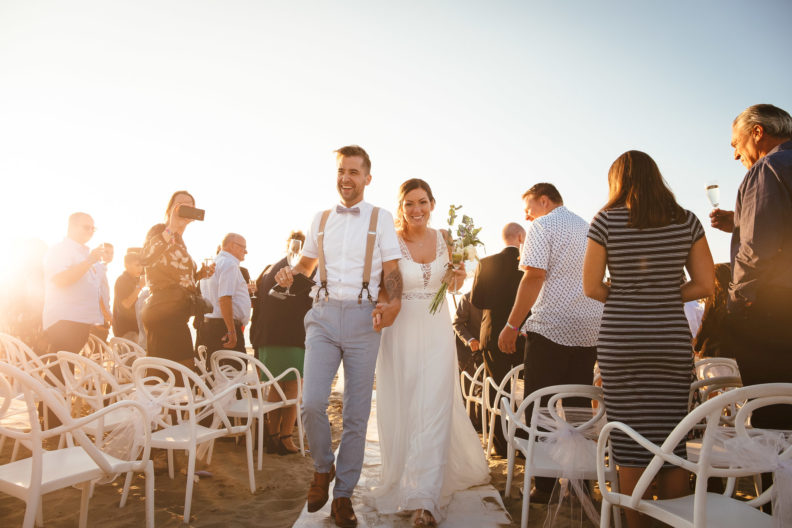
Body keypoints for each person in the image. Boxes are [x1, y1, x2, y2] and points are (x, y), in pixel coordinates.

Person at [583, 151, 714, 528]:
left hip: (622, 338)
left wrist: (628, 296)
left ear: (617, 181)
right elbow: (706, 284)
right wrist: (664, 296)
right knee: (673, 437)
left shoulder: (605, 221)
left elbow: (591, 287)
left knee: (628, 440)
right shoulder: (685, 220)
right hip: (669, 338)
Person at [274, 145, 403, 528]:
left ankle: (343, 494)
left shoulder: (381, 218)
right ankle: (322, 468)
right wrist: (290, 273)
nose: (346, 178)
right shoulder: (321, 217)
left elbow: (393, 270)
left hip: (366, 318)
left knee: (356, 414)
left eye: (353, 171)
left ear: (367, 177)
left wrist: (393, 303)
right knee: (312, 402)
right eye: (341, 171)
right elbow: (308, 262)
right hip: (324, 315)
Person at [368, 178, 489, 527]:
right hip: (401, 329)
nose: (416, 210)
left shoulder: (447, 239)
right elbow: (385, 289)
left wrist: (459, 275)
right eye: (409, 203)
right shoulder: (390, 242)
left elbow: (452, 285)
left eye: (422, 202)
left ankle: (426, 499)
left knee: (434, 407)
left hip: (437, 329)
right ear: (400, 207)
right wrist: (380, 309)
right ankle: (407, 481)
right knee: (406, 405)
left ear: (432, 204)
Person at [498, 184, 604, 500]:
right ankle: (582, 482)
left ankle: (543, 486)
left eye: (529, 206)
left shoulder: (542, 225)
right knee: (578, 408)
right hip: (588, 329)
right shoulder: (587, 226)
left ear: (544, 200)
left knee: (540, 406)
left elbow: (533, 277)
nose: (526, 214)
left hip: (551, 327)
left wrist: (512, 325)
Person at [710, 103, 792, 430]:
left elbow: (757, 250)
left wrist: (738, 300)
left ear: (757, 133)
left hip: (771, 310)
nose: (735, 155)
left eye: (735, 144)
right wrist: (740, 222)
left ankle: (778, 483)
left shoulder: (767, 167)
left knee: (772, 415)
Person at [249, 230, 313, 455]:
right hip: (291, 335)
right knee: (294, 389)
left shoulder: (268, 269)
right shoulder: (301, 270)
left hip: (266, 337)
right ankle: (285, 437)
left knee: (275, 389)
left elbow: (256, 303)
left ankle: (273, 435)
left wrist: (255, 338)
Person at [470, 222, 526, 457]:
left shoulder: (486, 263)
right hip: (523, 332)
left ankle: (501, 445)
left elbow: (477, 301)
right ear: (521, 237)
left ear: (504, 238)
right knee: (525, 389)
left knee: (497, 388)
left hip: (492, 334)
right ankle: (523, 441)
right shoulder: (527, 264)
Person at [140, 191, 212, 369]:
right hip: (163, 310)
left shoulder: (180, 239)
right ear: (171, 209)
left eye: (191, 205)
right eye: (182, 205)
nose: (187, 208)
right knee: (180, 372)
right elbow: (146, 258)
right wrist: (171, 226)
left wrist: (199, 274)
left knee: (164, 376)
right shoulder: (160, 230)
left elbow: (177, 277)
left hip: (175, 312)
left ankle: (154, 397)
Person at [42, 212, 110, 354]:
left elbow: (93, 288)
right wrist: (89, 261)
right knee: (59, 370)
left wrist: (103, 315)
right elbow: (61, 279)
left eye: (93, 228)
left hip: (81, 321)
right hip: (65, 321)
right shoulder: (60, 250)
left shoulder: (84, 254)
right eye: (86, 227)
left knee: (64, 370)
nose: (91, 231)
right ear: (71, 227)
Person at [197, 233, 254, 359]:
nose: (246, 251)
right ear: (232, 246)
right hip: (223, 328)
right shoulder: (230, 264)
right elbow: (224, 298)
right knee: (233, 374)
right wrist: (232, 331)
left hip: (210, 326)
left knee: (214, 375)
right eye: (243, 247)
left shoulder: (213, 264)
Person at [451, 291, 483, 429]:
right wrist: (470, 340)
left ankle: (483, 422)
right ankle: (471, 422)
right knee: (468, 385)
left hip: (488, 348)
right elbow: (457, 324)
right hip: (467, 350)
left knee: (484, 385)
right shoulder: (467, 298)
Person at [693, 263, 732, 359]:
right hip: (734, 352)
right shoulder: (737, 299)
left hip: (713, 351)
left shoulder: (713, 300)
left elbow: (706, 323)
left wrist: (697, 346)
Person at [112, 251, 145, 341]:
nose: (140, 268)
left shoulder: (134, 280)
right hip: (126, 331)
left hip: (134, 330)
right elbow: (126, 304)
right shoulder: (122, 280)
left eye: (141, 265)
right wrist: (139, 286)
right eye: (137, 265)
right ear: (126, 265)